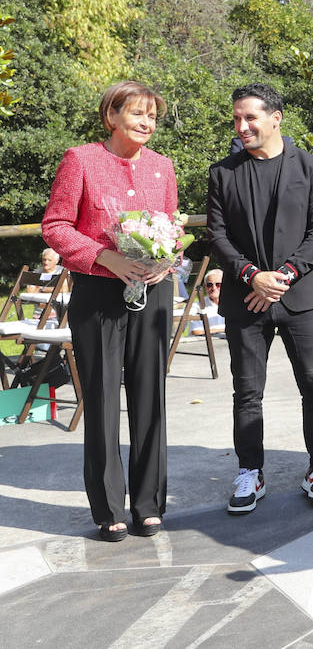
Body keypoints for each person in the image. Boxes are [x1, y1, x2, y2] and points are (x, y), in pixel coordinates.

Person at [42, 81, 179, 541]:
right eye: (137, 113)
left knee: (149, 398)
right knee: (101, 399)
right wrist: (106, 257)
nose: (146, 123)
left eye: (152, 116)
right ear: (112, 117)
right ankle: (108, 508)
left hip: (153, 293)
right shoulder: (81, 160)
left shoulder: (163, 167)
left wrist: (166, 259)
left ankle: (148, 503)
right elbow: (56, 226)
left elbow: (172, 229)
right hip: (99, 294)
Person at [207, 83, 313, 515]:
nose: (241, 126)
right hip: (246, 298)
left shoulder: (312, 167)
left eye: (250, 118)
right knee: (247, 391)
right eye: (237, 119)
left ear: (275, 117)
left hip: (299, 295)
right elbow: (217, 235)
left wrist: (279, 277)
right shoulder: (222, 173)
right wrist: (251, 276)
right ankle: (250, 472)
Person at [190, 268, 226, 336]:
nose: (214, 288)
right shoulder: (197, 306)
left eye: (218, 285)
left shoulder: (232, 304)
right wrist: (225, 329)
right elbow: (196, 331)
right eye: (210, 285)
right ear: (205, 287)